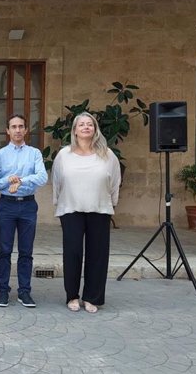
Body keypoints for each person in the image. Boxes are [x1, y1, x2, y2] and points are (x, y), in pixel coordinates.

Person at [52, 112, 120, 313]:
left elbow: (115, 182)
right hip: (70, 209)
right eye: (81, 124)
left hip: (99, 209)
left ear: (95, 129)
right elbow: (57, 182)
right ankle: (72, 296)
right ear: (75, 130)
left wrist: (111, 204)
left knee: (97, 254)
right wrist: (58, 204)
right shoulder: (64, 155)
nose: (86, 127)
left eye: (90, 124)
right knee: (72, 253)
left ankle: (92, 297)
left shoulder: (108, 155)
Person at [0, 114, 48, 308]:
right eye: (13, 126)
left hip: (28, 206)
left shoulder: (34, 153)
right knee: (4, 250)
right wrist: (9, 180)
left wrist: (21, 180)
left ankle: (24, 291)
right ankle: (3, 291)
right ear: (7, 130)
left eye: (21, 126)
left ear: (26, 130)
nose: (17, 130)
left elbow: (42, 177)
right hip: (6, 205)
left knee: (26, 251)